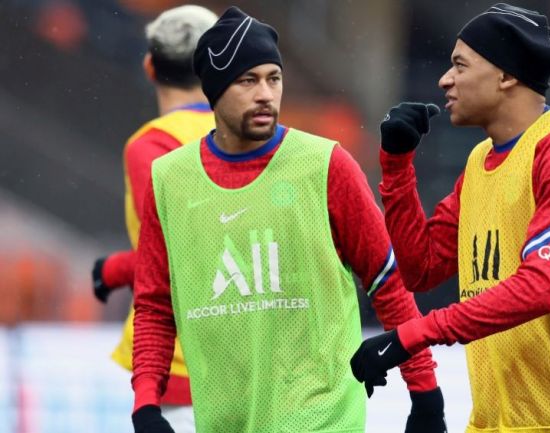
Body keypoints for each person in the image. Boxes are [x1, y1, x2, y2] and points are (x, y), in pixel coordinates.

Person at [130, 6, 446, 433]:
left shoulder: (326, 164)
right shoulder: (168, 179)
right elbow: (154, 305)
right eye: (248, 80)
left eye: (273, 78)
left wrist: (425, 394)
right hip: (222, 420)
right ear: (214, 88)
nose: (266, 94)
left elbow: (387, 283)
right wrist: (146, 404)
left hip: (321, 416)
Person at [351, 4, 550, 433]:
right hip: (503, 423)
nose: (445, 79)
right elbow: (420, 269)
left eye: (460, 65)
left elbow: (540, 289)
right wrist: (397, 166)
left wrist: (414, 334)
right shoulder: (480, 162)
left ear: (506, 76)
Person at [90, 5, 218, 431]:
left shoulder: (151, 145)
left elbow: (175, 251)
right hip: (249, 351)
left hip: (180, 361)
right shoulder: (255, 136)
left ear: (149, 66)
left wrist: (115, 268)